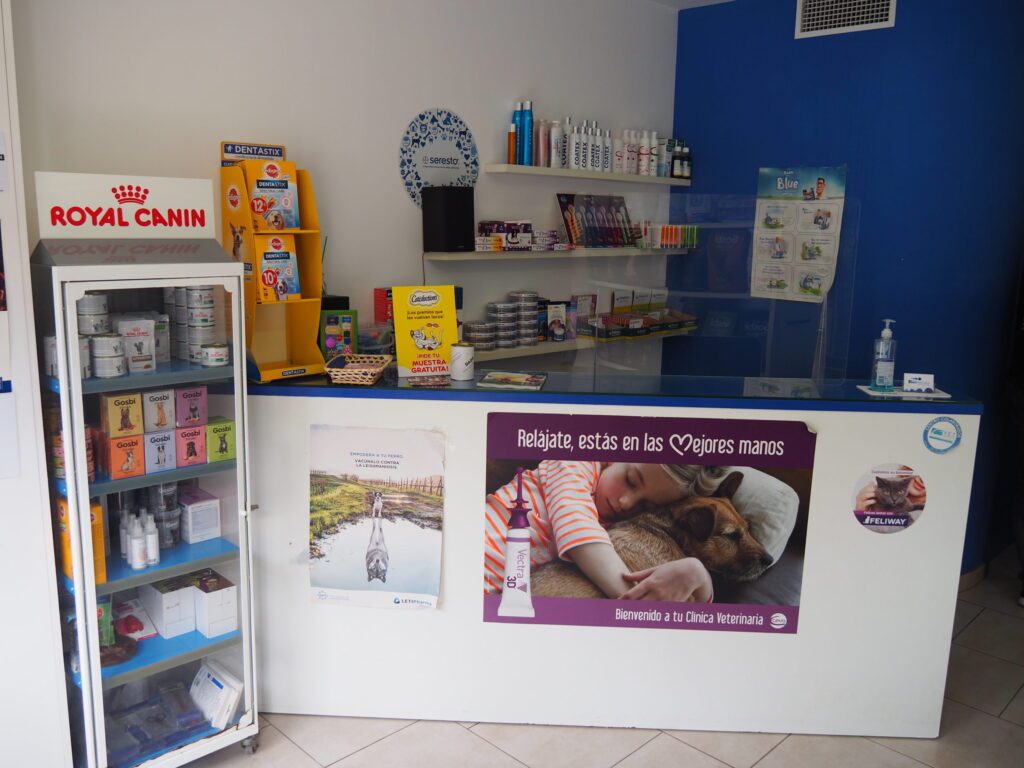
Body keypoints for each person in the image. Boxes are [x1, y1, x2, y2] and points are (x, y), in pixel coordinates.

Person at [484, 462, 729, 601]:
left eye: (646, 506)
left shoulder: (619, 528)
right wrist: (641, 606)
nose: (625, 503)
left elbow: (695, 608)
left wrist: (699, 577)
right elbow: (578, 530)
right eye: (630, 480)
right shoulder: (574, 462)